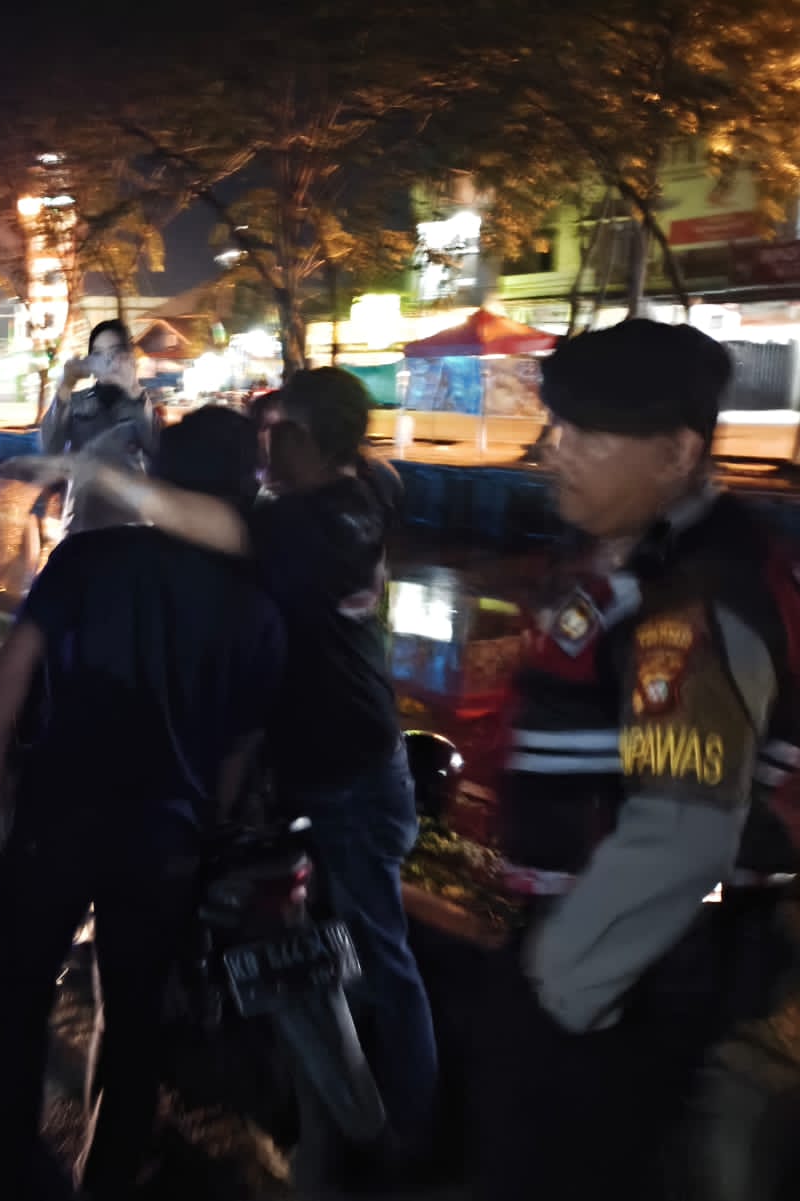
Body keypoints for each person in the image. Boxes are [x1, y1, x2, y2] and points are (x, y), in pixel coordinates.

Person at [59, 368, 434, 1191]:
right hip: (314, 763)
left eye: (283, 429)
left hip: (344, 769)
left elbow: (210, 523)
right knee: (330, 950)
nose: (269, 444)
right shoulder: (361, 490)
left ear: (322, 444)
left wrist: (103, 477)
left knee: (377, 948)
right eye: (262, 431)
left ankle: (410, 1126)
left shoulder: (300, 526)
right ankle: (351, 1112)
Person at [471, 320, 800, 1201]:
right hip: (605, 958)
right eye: (557, 425)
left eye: (587, 433)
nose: (554, 450)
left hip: (628, 976)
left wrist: (557, 985)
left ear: (676, 452)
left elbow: (684, 830)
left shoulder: (692, 596)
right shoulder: (635, 556)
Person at [0, 406, 284, 1199]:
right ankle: (109, 1167)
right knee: (133, 1007)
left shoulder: (89, 557)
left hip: (58, 812)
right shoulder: (257, 604)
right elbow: (241, 746)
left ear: (162, 474)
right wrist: (209, 817)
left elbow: (12, 670)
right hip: (166, 832)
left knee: (23, 983)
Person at [38, 319, 159, 535]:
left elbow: (156, 448)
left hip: (132, 528)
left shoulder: (142, 404)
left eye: (114, 353)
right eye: (98, 354)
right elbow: (49, 445)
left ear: (128, 357)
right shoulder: (76, 402)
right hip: (82, 526)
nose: (107, 361)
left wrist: (133, 390)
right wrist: (65, 386)